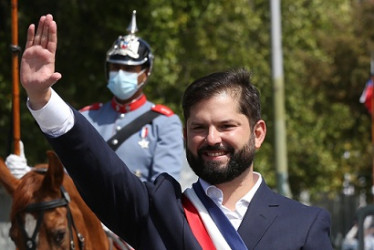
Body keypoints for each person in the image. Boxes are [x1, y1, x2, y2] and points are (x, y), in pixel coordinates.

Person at [20, 14, 333, 249]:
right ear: (186, 135)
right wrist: (42, 98)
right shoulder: (157, 211)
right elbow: (98, 166)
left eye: (226, 126)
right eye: (199, 127)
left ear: (258, 133)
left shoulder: (304, 225)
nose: (212, 139)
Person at [79, 10, 183, 182]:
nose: (120, 74)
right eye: (115, 67)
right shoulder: (87, 117)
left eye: (129, 69)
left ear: (146, 72)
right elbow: (65, 177)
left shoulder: (164, 123)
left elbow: (164, 189)